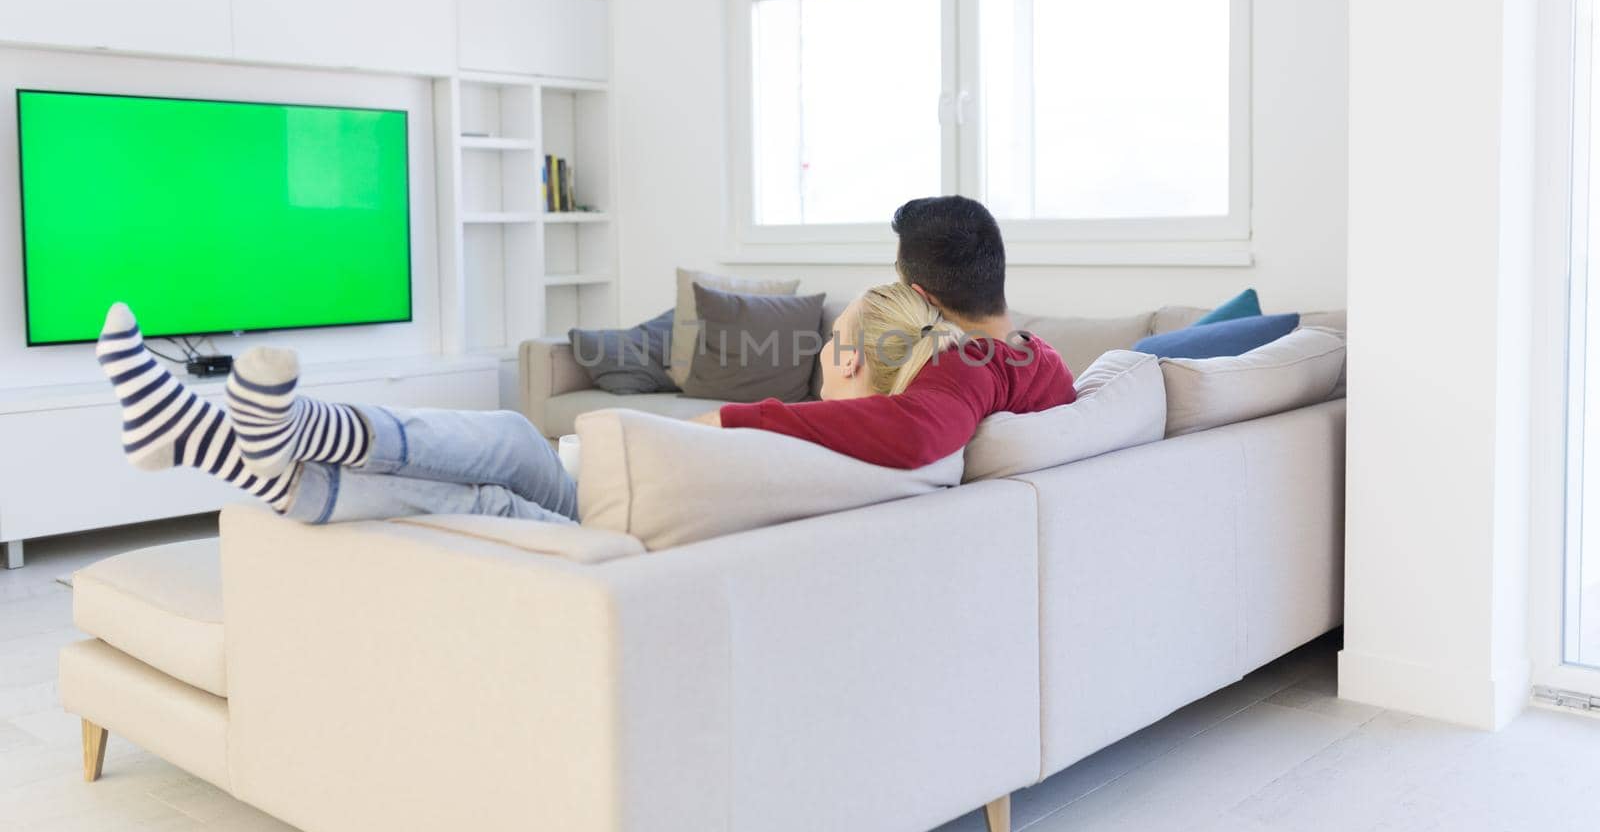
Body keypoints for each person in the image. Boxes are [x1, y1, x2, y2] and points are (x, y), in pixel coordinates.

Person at [94, 281, 974, 525]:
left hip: (608, 530)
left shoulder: (807, 427)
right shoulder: (916, 441)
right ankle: (218, 433)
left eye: (831, 340)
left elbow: (698, 435)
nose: (817, 350)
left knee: (496, 476)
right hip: (613, 509)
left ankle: (229, 436)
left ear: (851, 357)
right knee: (514, 438)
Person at [698, 195, 1077, 468]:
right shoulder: (1045, 361)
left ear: (918, 296)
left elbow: (916, 434)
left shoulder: (966, 365)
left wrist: (736, 419)